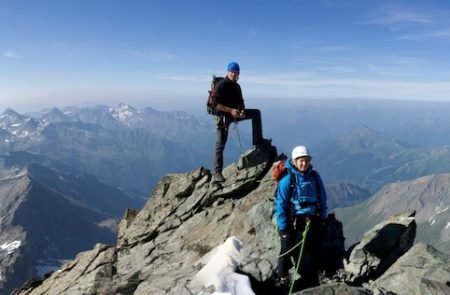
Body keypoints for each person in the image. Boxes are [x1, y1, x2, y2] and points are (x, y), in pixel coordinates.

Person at [274, 145, 327, 292]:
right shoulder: (287, 180)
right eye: (301, 161)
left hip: (312, 218)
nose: (304, 163)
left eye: (306, 160)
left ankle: (313, 275)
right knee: (287, 248)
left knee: (312, 248)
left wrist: (322, 216)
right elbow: (281, 205)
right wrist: (283, 228)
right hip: (294, 221)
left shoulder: (315, 177)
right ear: (295, 161)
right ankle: (283, 277)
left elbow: (322, 197)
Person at [212, 61, 270, 182]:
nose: (233, 74)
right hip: (223, 116)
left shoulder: (237, 87)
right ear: (228, 72)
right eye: (231, 72)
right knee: (220, 143)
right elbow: (216, 105)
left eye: (235, 72)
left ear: (238, 73)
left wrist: (242, 111)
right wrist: (230, 110)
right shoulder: (221, 85)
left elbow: (241, 103)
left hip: (235, 114)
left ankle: (257, 140)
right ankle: (217, 171)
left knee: (256, 113)